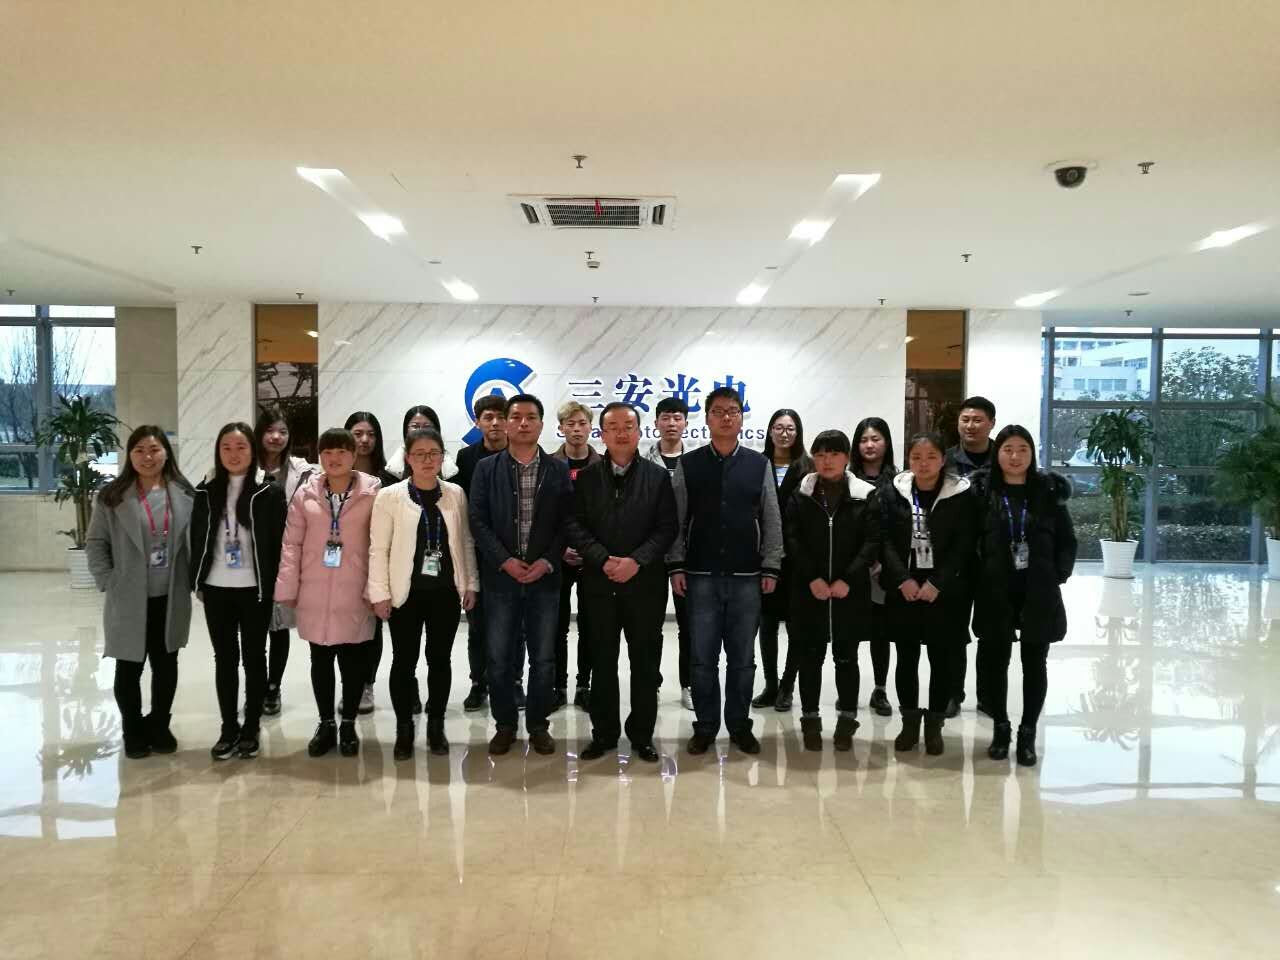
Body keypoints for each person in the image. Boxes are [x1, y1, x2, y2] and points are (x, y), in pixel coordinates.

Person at [669, 386, 783, 756]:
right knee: (702, 658)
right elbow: (676, 519)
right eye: (718, 411)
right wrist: (676, 565)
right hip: (699, 575)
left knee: (743, 661)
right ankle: (705, 726)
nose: (726, 417)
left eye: (733, 411)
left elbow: (771, 518)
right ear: (707, 418)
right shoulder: (689, 464)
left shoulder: (758, 464)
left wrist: (771, 565)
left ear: (741, 418)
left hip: (747, 577)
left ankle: (739, 726)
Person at [566, 402, 677, 762]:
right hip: (599, 584)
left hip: (645, 585)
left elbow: (667, 528)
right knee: (602, 660)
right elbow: (574, 525)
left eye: (628, 426)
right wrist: (603, 559)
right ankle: (604, 734)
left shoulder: (657, 477)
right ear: (602, 434)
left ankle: (642, 735)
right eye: (612, 427)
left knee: (645, 663)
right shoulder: (587, 478)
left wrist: (636, 562)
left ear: (639, 432)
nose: (621, 433)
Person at [468, 394, 573, 756]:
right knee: (499, 657)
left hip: (545, 579)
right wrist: (504, 561)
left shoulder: (557, 469)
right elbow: (477, 521)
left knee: (543, 658)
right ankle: (505, 725)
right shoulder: (487, 469)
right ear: (506, 422)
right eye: (516, 417)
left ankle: (539, 726)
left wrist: (547, 560)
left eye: (531, 417)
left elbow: (567, 522)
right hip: (501, 579)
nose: (523, 423)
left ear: (542, 425)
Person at [85, 426, 195, 759]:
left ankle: (160, 725)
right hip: (129, 596)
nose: (148, 457)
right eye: (140, 451)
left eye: (154, 449)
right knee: (129, 667)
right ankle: (132, 730)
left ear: (166, 453)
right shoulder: (111, 497)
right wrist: (108, 580)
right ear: (129, 455)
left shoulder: (185, 493)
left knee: (166, 665)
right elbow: (96, 542)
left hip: (170, 596)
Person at [369, 427, 478, 760]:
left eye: (434, 453)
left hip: (445, 592)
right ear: (408, 458)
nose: (427, 460)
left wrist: (470, 583)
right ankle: (404, 729)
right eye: (420, 454)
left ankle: (436, 725)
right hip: (405, 594)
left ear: (443, 457)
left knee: (440, 660)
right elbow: (378, 548)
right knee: (404, 661)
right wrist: (379, 593)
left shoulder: (455, 494)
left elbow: (465, 542)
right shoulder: (389, 496)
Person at [971, 425, 1077, 767]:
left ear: (1032, 454)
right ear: (997, 453)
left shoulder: (1048, 491)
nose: (1015, 457)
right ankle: (1001, 728)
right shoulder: (981, 491)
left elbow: (1068, 540)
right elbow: (967, 538)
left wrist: (1057, 574)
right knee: (995, 661)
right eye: (1008, 449)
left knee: (1035, 663)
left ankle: (1028, 731)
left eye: (1022, 449)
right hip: (995, 588)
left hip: (1038, 589)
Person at [274, 427, 381, 758]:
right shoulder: (306, 495)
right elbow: (291, 544)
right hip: (315, 592)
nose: (334, 458)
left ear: (354, 455)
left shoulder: (372, 493)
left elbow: (380, 546)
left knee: (352, 662)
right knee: (320, 660)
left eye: (342, 451)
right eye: (328, 452)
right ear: (320, 456)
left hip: (355, 592)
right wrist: (287, 587)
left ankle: (348, 724)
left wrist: (376, 589)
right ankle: (326, 723)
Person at [191, 422, 286, 760]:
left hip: (254, 590)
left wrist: (278, 586)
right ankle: (228, 727)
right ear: (218, 451)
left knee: (254, 658)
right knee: (225, 659)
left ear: (253, 451)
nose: (233, 454)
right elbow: (197, 538)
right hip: (216, 588)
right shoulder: (206, 491)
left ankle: (251, 727)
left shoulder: (269, 491)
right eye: (226, 448)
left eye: (241, 447)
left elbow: (279, 543)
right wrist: (197, 580)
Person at [880, 432, 978, 757]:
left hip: (945, 591)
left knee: (942, 659)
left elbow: (965, 544)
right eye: (917, 457)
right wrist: (902, 579)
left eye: (931, 457)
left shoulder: (960, 494)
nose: (924, 464)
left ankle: (935, 726)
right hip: (904, 587)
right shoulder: (894, 492)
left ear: (943, 459)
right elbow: (884, 540)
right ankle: (909, 723)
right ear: (908, 460)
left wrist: (938, 583)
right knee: (906, 658)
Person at [783, 430, 880, 751]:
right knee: (810, 658)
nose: (827, 461)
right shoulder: (801, 494)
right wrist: (812, 577)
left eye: (834, 454)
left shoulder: (865, 495)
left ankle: (847, 721)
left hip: (849, 592)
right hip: (808, 591)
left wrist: (847, 579)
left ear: (847, 458)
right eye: (821, 455)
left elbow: (872, 541)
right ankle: (810, 720)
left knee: (846, 658)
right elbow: (792, 538)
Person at [255, 407, 316, 716]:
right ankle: (255, 685)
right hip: (252, 561)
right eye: (270, 431)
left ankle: (272, 686)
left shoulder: (303, 472)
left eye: (282, 431)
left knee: (278, 626)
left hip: (286, 560)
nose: (276, 437)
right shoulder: (246, 468)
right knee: (253, 629)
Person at [753, 408, 812, 712]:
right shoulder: (757, 463)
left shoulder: (808, 467)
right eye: (778, 427)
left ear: (797, 433)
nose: (784, 433)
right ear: (770, 431)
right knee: (767, 625)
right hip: (764, 557)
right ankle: (771, 685)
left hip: (797, 558)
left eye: (790, 428)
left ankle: (788, 686)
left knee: (796, 625)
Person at [453, 394, 509, 711]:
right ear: (477, 422)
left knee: (514, 626)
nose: (496, 423)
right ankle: (479, 683)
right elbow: (462, 508)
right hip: (476, 552)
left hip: (514, 554)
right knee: (478, 626)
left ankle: (512, 682)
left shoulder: (520, 453)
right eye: (488, 417)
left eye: (501, 416)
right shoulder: (465, 458)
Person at [942, 396, 997, 718]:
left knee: (991, 631)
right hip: (956, 560)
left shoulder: (1004, 458)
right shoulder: (945, 460)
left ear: (991, 423)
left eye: (978, 420)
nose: (970, 426)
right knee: (952, 630)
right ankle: (953, 693)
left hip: (994, 560)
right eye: (965, 420)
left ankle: (988, 696)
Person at [344, 411, 400, 716]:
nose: (364, 440)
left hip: (378, 562)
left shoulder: (388, 479)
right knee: (345, 626)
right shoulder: (337, 474)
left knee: (372, 627)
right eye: (357, 434)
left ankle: (366, 683)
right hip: (342, 563)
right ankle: (348, 685)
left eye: (371, 434)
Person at [644, 396, 695, 711]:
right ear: (656, 423)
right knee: (650, 625)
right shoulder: (643, 461)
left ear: (686, 423)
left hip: (687, 556)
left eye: (677, 418)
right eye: (666, 417)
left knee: (689, 625)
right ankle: (652, 682)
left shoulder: (697, 462)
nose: (671, 423)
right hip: (650, 554)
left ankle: (688, 684)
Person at [551, 400, 602, 711]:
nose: (577, 429)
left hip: (592, 558)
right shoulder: (549, 464)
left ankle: (585, 685)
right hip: (557, 558)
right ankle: (557, 685)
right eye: (570, 424)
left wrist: (589, 550)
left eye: (582, 423)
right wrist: (560, 549)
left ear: (591, 427)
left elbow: (609, 516)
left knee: (590, 625)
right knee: (556, 627)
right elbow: (544, 515)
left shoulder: (603, 465)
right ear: (561, 428)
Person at [851, 417, 898, 718]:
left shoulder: (898, 481)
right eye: (864, 439)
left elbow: (897, 528)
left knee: (881, 633)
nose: (869, 445)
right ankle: (849, 690)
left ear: (886, 443)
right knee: (851, 633)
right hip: (853, 568)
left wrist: (883, 562)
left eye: (876, 439)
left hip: (884, 570)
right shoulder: (846, 479)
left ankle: (880, 690)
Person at [384, 405, 460, 481]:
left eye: (427, 426)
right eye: (415, 426)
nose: (421, 431)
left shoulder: (451, 472)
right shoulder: (392, 471)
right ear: (406, 430)